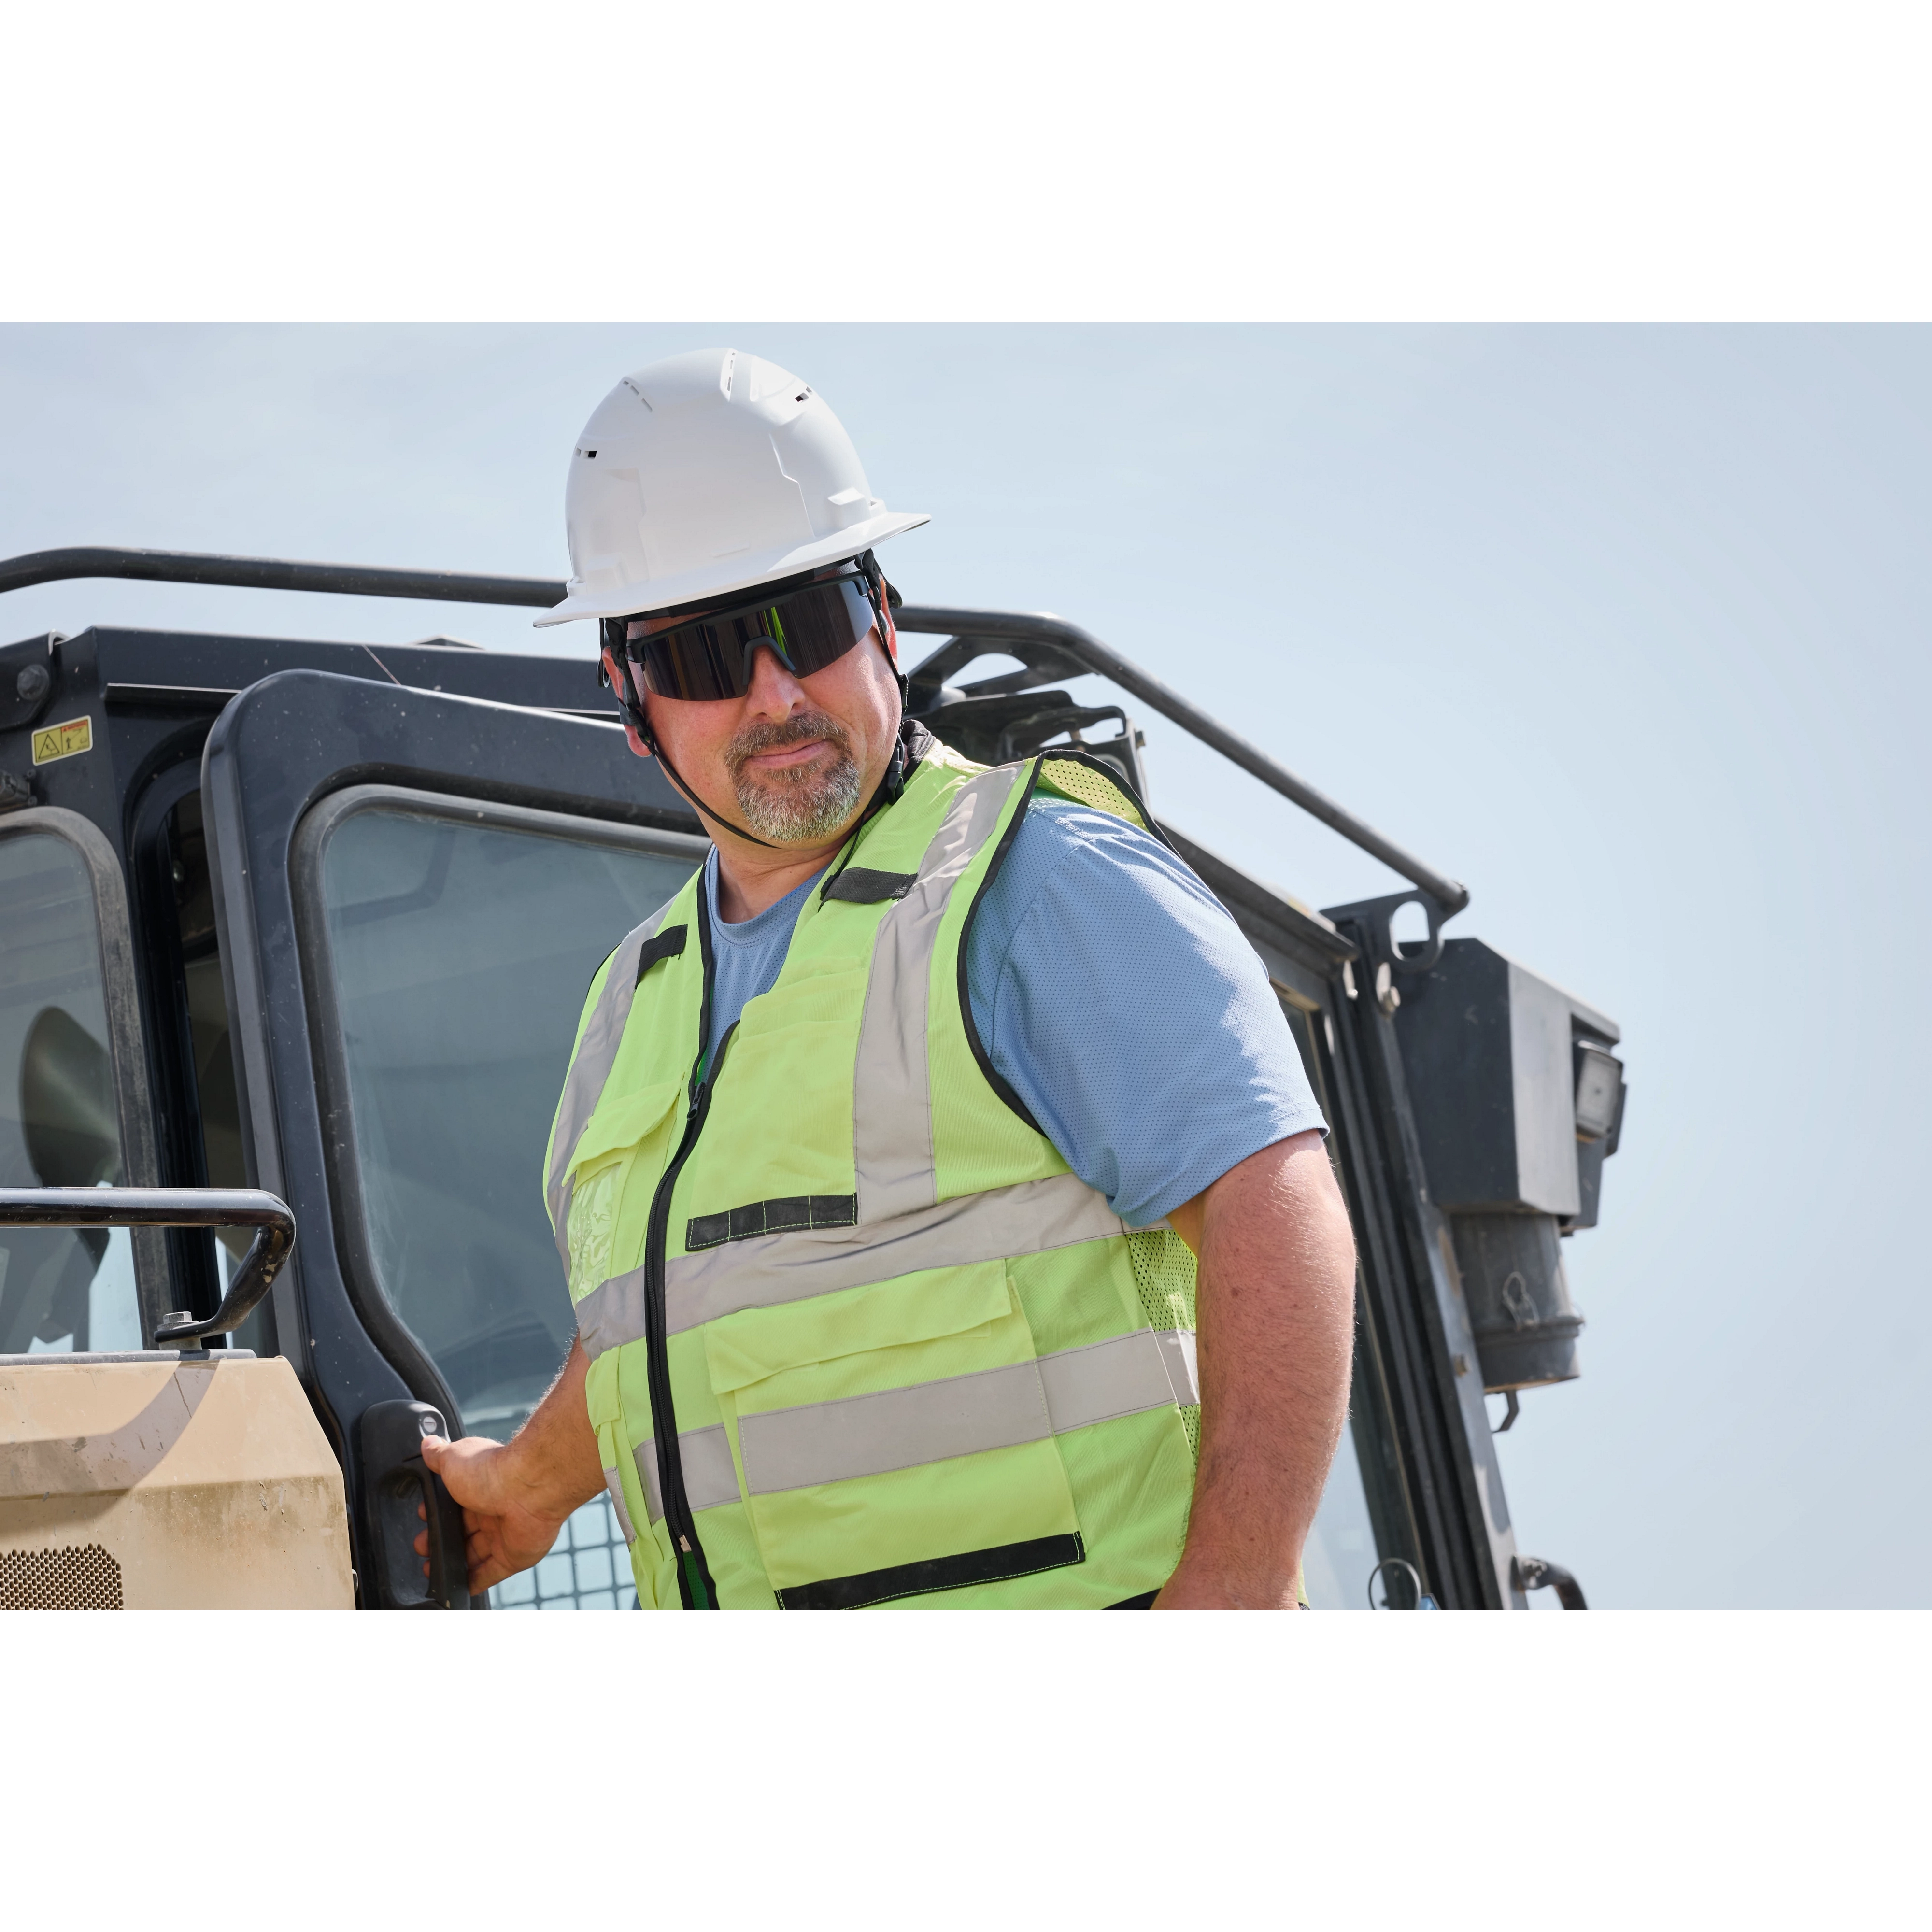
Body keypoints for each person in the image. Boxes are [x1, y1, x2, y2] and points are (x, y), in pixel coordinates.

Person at [422, 347, 1357, 1609]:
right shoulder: (633, 1004)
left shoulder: (1038, 879)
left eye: (808, 623)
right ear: (630, 698)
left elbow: (1272, 1200)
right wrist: (528, 1487)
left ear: (883, 616)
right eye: (703, 656)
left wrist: (1239, 1581)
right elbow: (677, 1327)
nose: (777, 691)